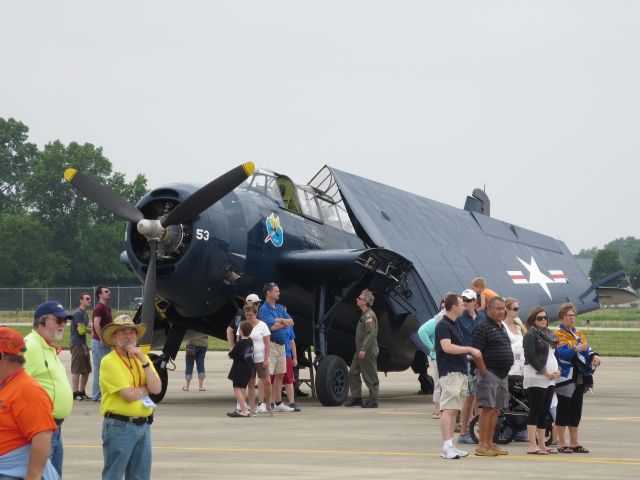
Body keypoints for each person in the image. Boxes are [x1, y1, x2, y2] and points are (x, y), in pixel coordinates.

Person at [99, 314, 162, 480]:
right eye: (123, 333)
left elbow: (157, 389)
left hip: (144, 425)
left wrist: (142, 357)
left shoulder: (143, 359)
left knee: (140, 476)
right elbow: (128, 395)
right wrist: (145, 388)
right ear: (114, 337)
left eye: (132, 333)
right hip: (120, 425)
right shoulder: (109, 361)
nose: (129, 336)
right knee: (114, 474)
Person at [0, 327, 60, 480]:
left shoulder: (27, 390)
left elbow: (42, 435)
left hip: (12, 474)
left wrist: (32, 476)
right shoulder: (6, 384)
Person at [23, 301, 74, 478]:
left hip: (53, 430)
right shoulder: (30, 346)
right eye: (59, 320)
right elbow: (9, 385)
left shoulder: (47, 345)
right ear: (41, 321)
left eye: (65, 321)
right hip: (40, 429)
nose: (63, 324)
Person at [435, 293, 485, 459]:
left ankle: (450, 445)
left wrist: (469, 356)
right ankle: (446, 446)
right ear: (454, 307)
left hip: (460, 370)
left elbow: (455, 348)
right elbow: (447, 347)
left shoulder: (454, 324)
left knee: (454, 409)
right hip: (450, 372)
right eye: (461, 304)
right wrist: (469, 350)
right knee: (448, 409)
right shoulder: (443, 325)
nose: (464, 306)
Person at [554, 302, 600, 454]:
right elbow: (561, 354)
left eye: (574, 315)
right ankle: (561, 442)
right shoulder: (558, 334)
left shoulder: (578, 332)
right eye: (569, 315)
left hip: (580, 376)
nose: (572, 318)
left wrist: (594, 356)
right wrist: (576, 348)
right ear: (562, 316)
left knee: (576, 409)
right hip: (566, 376)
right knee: (563, 409)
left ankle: (574, 442)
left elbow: (589, 348)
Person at [472, 296, 514, 456]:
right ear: (489, 310)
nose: (502, 311)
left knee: (496, 409)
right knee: (487, 409)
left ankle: (490, 443)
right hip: (490, 373)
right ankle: (481, 445)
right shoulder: (483, 328)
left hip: (502, 374)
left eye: (503, 308)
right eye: (498, 308)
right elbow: (475, 352)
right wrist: (484, 372)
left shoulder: (501, 326)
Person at [523, 307, 560, 455]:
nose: (543, 320)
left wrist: (555, 372)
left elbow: (551, 355)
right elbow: (531, 357)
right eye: (539, 318)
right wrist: (546, 373)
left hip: (549, 378)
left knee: (544, 411)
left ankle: (542, 444)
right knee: (536, 410)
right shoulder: (530, 335)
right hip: (537, 376)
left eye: (545, 317)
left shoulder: (547, 334)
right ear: (533, 320)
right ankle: (532, 445)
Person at [259, 283, 295, 412]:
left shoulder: (280, 308)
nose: (279, 293)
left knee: (280, 374)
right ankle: (262, 403)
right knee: (267, 375)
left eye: (279, 291)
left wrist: (279, 320)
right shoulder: (264, 309)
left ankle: (278, 402)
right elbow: (271, 327)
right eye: (276, 291)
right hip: (272, 344)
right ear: (268, 293)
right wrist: (283, 322)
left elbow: (292, 322)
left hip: (282, 346)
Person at [457, 289, 485, 444]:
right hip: (467, 361)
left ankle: (479, 429)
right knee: (469, 397)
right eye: (464, 300)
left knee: (480, 397)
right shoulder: (460, 319)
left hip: (481, 360)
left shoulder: (482, 317)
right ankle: (463, 432)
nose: (466, 303)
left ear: (475, 302)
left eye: (468, 300)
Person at [344, 289, 379, 408]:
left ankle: (373, 400)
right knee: (353, 372)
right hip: (360, 350)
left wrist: (364, 348)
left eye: (359, 298)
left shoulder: (369, 315)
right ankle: (357, 397)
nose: (357, 299)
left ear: (365, 301)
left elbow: (372, 334)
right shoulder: (364, 315)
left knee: (370, 375)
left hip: (367, 350)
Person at [244, 303, 273, 415]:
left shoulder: (262, 325)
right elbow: (240, 340)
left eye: (250, 315)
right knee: (251, 383)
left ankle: (268, 404)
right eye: (246, 315)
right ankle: (252, 408)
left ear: (256, 314)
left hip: (260, 358)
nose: (248, 317)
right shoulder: (244, 325)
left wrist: (266, 359)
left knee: (267, 382)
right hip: (248, 359)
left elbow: (267, 343)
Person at [417, 309, 445, 419]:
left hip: (450, 357)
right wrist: (432, 347)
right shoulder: (440, 319)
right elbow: (422, 331)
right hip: (438, 357)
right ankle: (437, 409)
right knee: (439, 383)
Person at [227, 320, 254, 417]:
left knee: (236, 388)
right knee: (242, 387)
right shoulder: (250, 341)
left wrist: (230, 352)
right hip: (248, 367)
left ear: (241, 331)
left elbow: (232, 355)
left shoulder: (240, 343)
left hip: (240, 368)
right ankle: (244, 408)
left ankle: (243, 410)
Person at [92, 285, 113, 401]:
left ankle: (100, 393)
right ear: (100, 295)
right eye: (106, 291)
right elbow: (96, 324)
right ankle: (97, 395)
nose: (109, 293)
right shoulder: (99, 308)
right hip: (100, 342)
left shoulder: (107, 308)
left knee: (103, 368)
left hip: (104, 342)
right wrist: (102, 339)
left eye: (109, 291)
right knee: (100, 368)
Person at [70, 292, 93, 401]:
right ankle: (75, 393)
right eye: (87, 299)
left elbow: (87, 326)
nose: (89, 300)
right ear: (81, 300)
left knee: (86, 369)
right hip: (77, 343)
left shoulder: (85, 313)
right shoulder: (78, 313)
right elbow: (81, 330)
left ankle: (82, 391)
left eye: (90, 299)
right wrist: (90, 330)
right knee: (77, 369)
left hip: (83, 344)